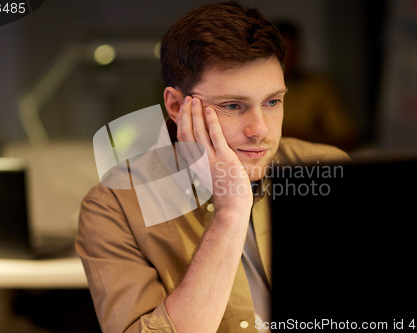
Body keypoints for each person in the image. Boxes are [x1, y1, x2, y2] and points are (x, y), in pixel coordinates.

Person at [76, 2, 349, 333]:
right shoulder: (114, 205)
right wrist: (230, 212)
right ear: (177, 106)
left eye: (272, 102)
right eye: (233, 106)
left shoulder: (323, 167)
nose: (260, 129)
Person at [275, 21, 359, 151]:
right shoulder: (250, 87)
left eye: (292, 52)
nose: (287, 60)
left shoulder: (318, 87)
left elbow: (348, 138)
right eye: (282, 53)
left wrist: (306, 139)